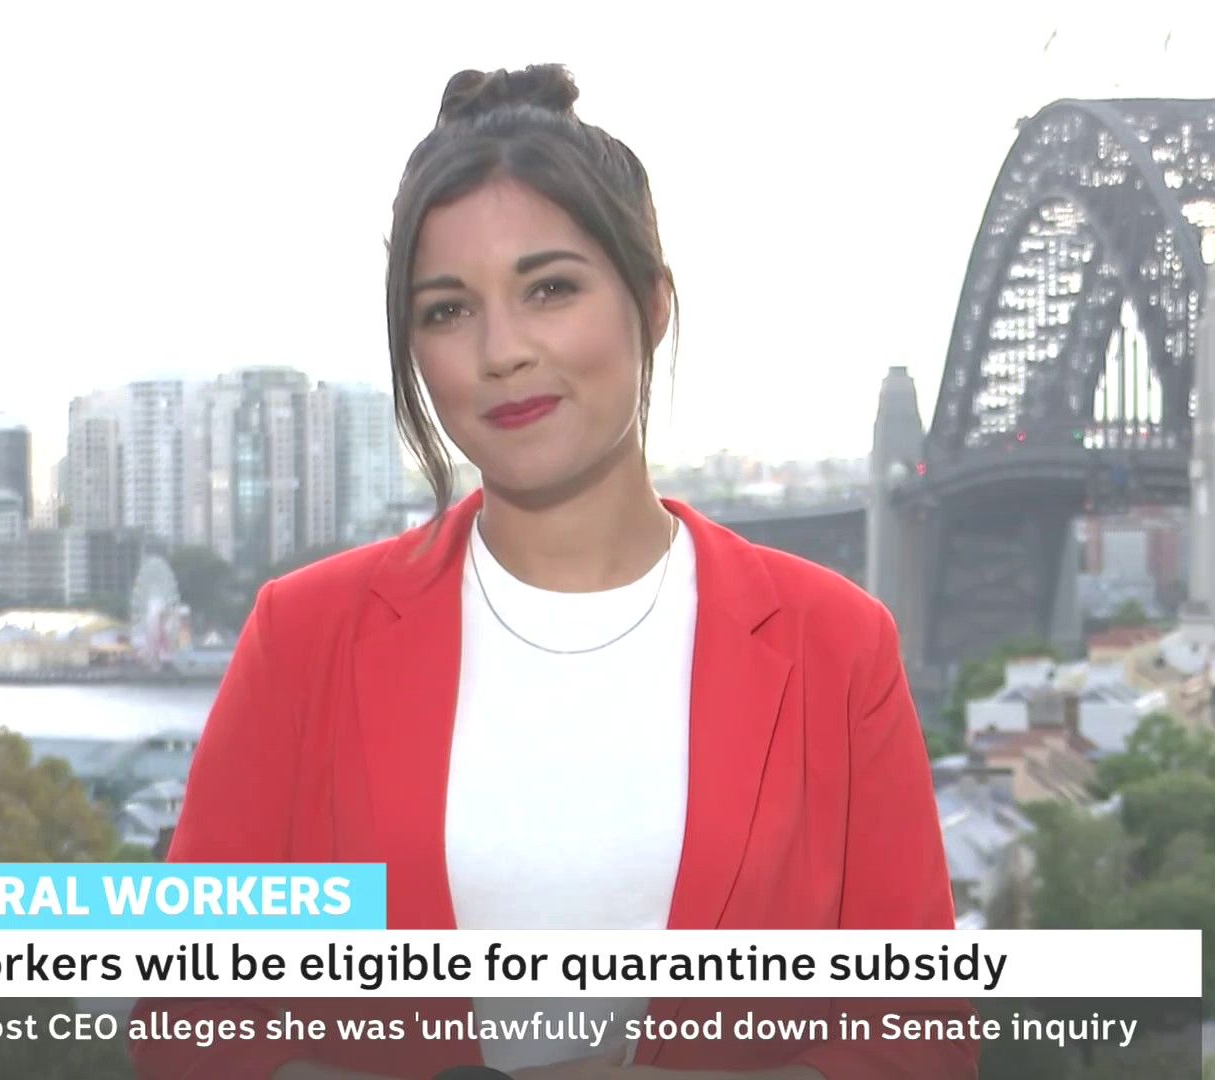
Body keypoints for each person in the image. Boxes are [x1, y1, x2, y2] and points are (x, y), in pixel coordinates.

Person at [131, 64, 976, 1080]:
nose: (502, 351)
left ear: (651, 304)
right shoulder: (302, 636)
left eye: (550, 289)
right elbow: (189, 1024)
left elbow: (917, 1041)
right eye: (448, 311)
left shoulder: (835, 646)